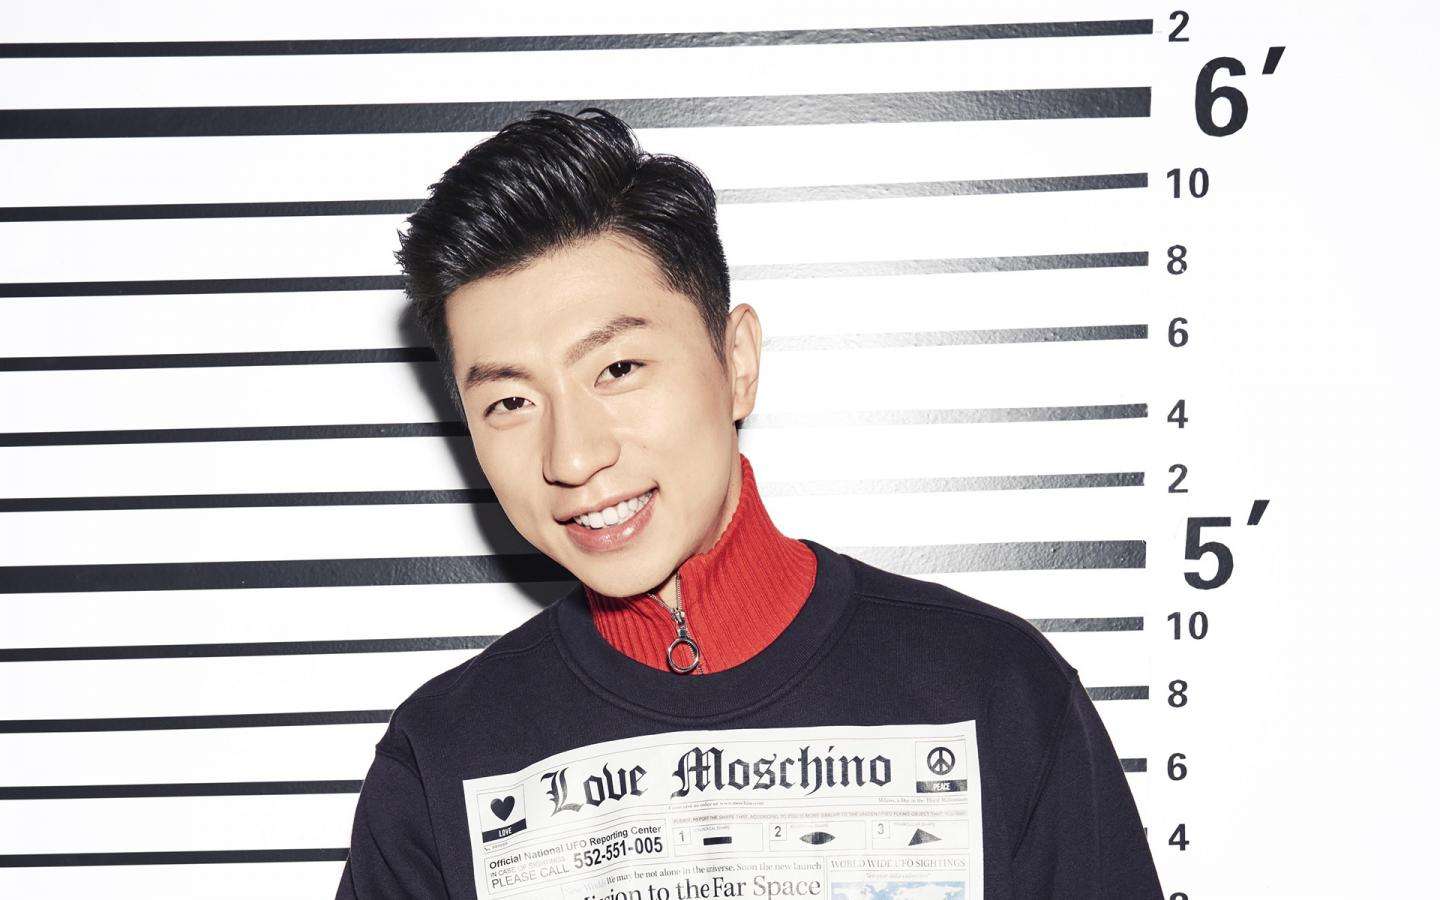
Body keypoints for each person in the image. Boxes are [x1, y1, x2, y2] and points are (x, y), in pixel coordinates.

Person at [335, 107, 1163, 899]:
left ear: (736, 362)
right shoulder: (443, 759)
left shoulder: (994, 692)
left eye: (618, 369)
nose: (573, 456)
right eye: (511, 402)